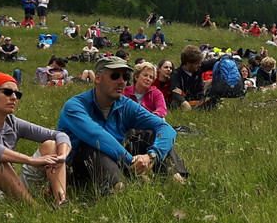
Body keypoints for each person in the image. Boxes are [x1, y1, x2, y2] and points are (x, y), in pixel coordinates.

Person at [56, 56, 188, 196]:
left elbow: (165, 128)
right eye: (114, 76)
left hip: (118, 159)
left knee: (149, 134)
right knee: (94, 145)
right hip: (80, 167)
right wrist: (131, 160)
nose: (121, 81)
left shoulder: (125, 104)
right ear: (98, 78)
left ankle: (176, 181)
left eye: (125, 77)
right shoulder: (75, 106)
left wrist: (152, 155)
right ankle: (119, 189)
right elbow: (97, 136)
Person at [0, 72, 70, 208]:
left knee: (51, 145)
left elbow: (59, 135)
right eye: (8, 92)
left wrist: (62, 156)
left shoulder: (13, 123)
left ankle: (61, 201)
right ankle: (35, 209)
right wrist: (30, 160)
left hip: (8, 191)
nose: (14, 97)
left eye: (17, 94)